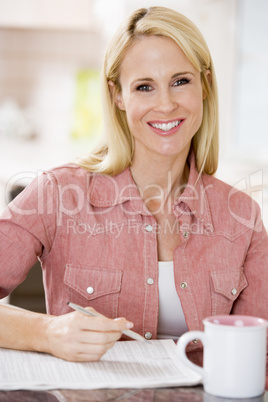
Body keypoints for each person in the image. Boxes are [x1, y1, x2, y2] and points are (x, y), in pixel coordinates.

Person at [0, 6, 267, 372]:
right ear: (118, 96)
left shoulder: (242, 216)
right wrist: (47, 332)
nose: (166, 103)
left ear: (204, 84)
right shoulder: (57, 193)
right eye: (144, 86)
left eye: (180, 81)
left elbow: (259, 356)